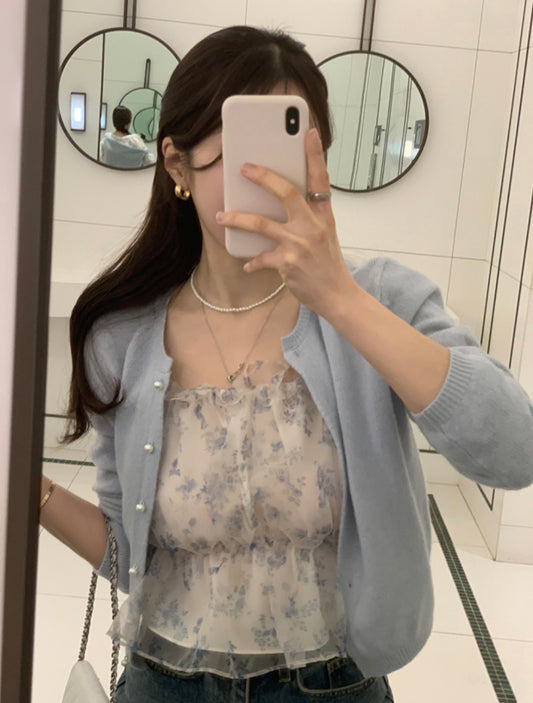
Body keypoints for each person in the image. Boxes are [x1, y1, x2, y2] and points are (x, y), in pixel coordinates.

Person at [40, 25, 533, 703]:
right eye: (236, 153)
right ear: (177, 165)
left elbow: (515, 451)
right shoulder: (120, 335)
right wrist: (32, 493)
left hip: (335, 686)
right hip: (165, 684)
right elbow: (131, 560)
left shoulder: (380, 300)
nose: (265, 178)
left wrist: (339, 299)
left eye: (288, 151)